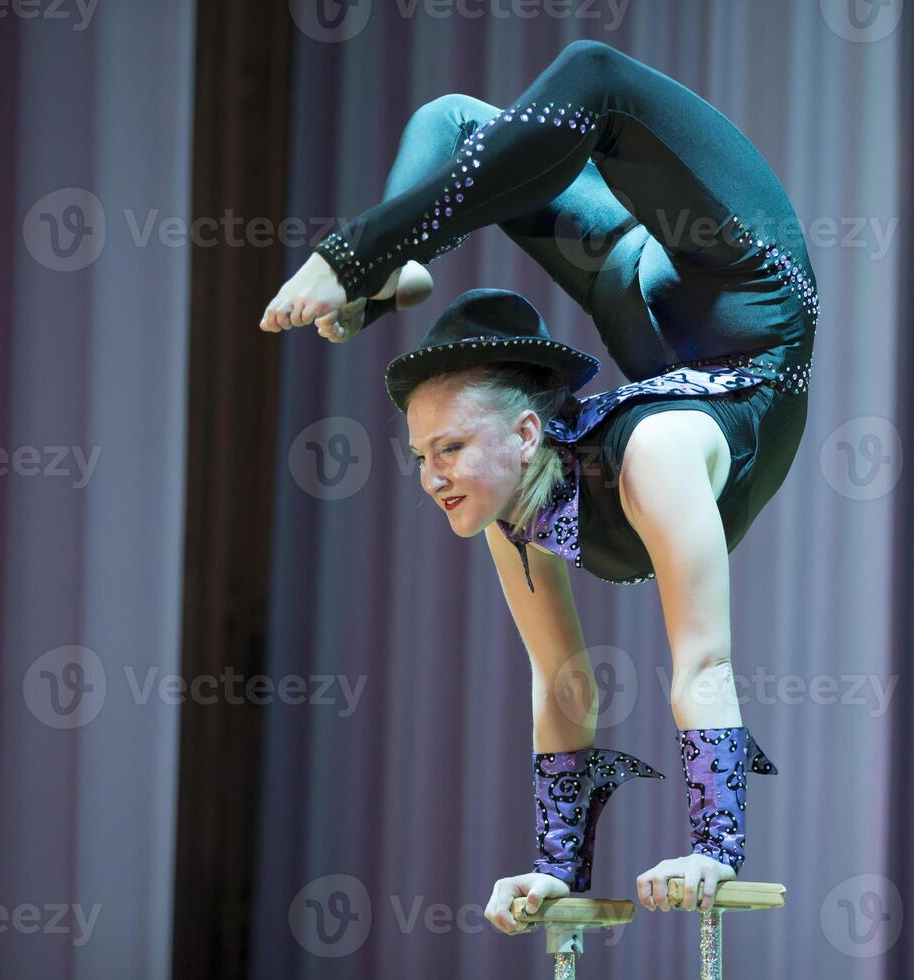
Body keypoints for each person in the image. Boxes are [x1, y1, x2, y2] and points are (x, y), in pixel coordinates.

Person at [259, 40, 817, 935]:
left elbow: (702, 666)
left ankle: (369, 255)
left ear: (525, 432)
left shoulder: (658, 456)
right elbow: (562, 683)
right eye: (419, 457)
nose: (433, 477)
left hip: (743, 299)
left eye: (448, 448)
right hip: (639, 295)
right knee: (448, 119)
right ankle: (400, 258)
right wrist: (557, 871)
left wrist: (715, 851)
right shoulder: (517, 506)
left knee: (593, 77)